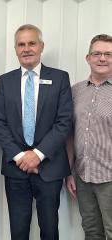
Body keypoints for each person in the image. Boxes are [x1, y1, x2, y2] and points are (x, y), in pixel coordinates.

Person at [0, 24, 73, 240]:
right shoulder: (5, 80)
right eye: (21, 44)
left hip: (49, 167)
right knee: (18, 231)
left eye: (31, 43)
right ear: (15, 49)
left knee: (49, 229)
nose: (26, 49)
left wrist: (37, 155)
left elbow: (64, 122)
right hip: (15, 168)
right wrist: (21, 157)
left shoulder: (60, 78)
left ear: (41, 46)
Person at [66, 34, 112, 240]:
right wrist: (69, 172)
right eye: (97, 53)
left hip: (110, 178)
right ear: (88, 58)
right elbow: (69, 134)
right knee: (92, 232)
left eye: (108, 54)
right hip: (83, 176)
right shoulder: (75, 91)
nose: (102, 58)